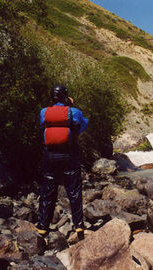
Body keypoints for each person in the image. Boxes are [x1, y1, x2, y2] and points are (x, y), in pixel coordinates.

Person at [36, 84, 88, 240]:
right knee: (74, 191)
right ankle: (79, 226)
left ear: (52, 97)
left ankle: (42, 228)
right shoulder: (75, 112)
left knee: (47, 190)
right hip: (69, 155)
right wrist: (70, 106)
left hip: (49, 156)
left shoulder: (44, 112)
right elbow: (83, 125)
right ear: (66, 97)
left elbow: (42, 126)